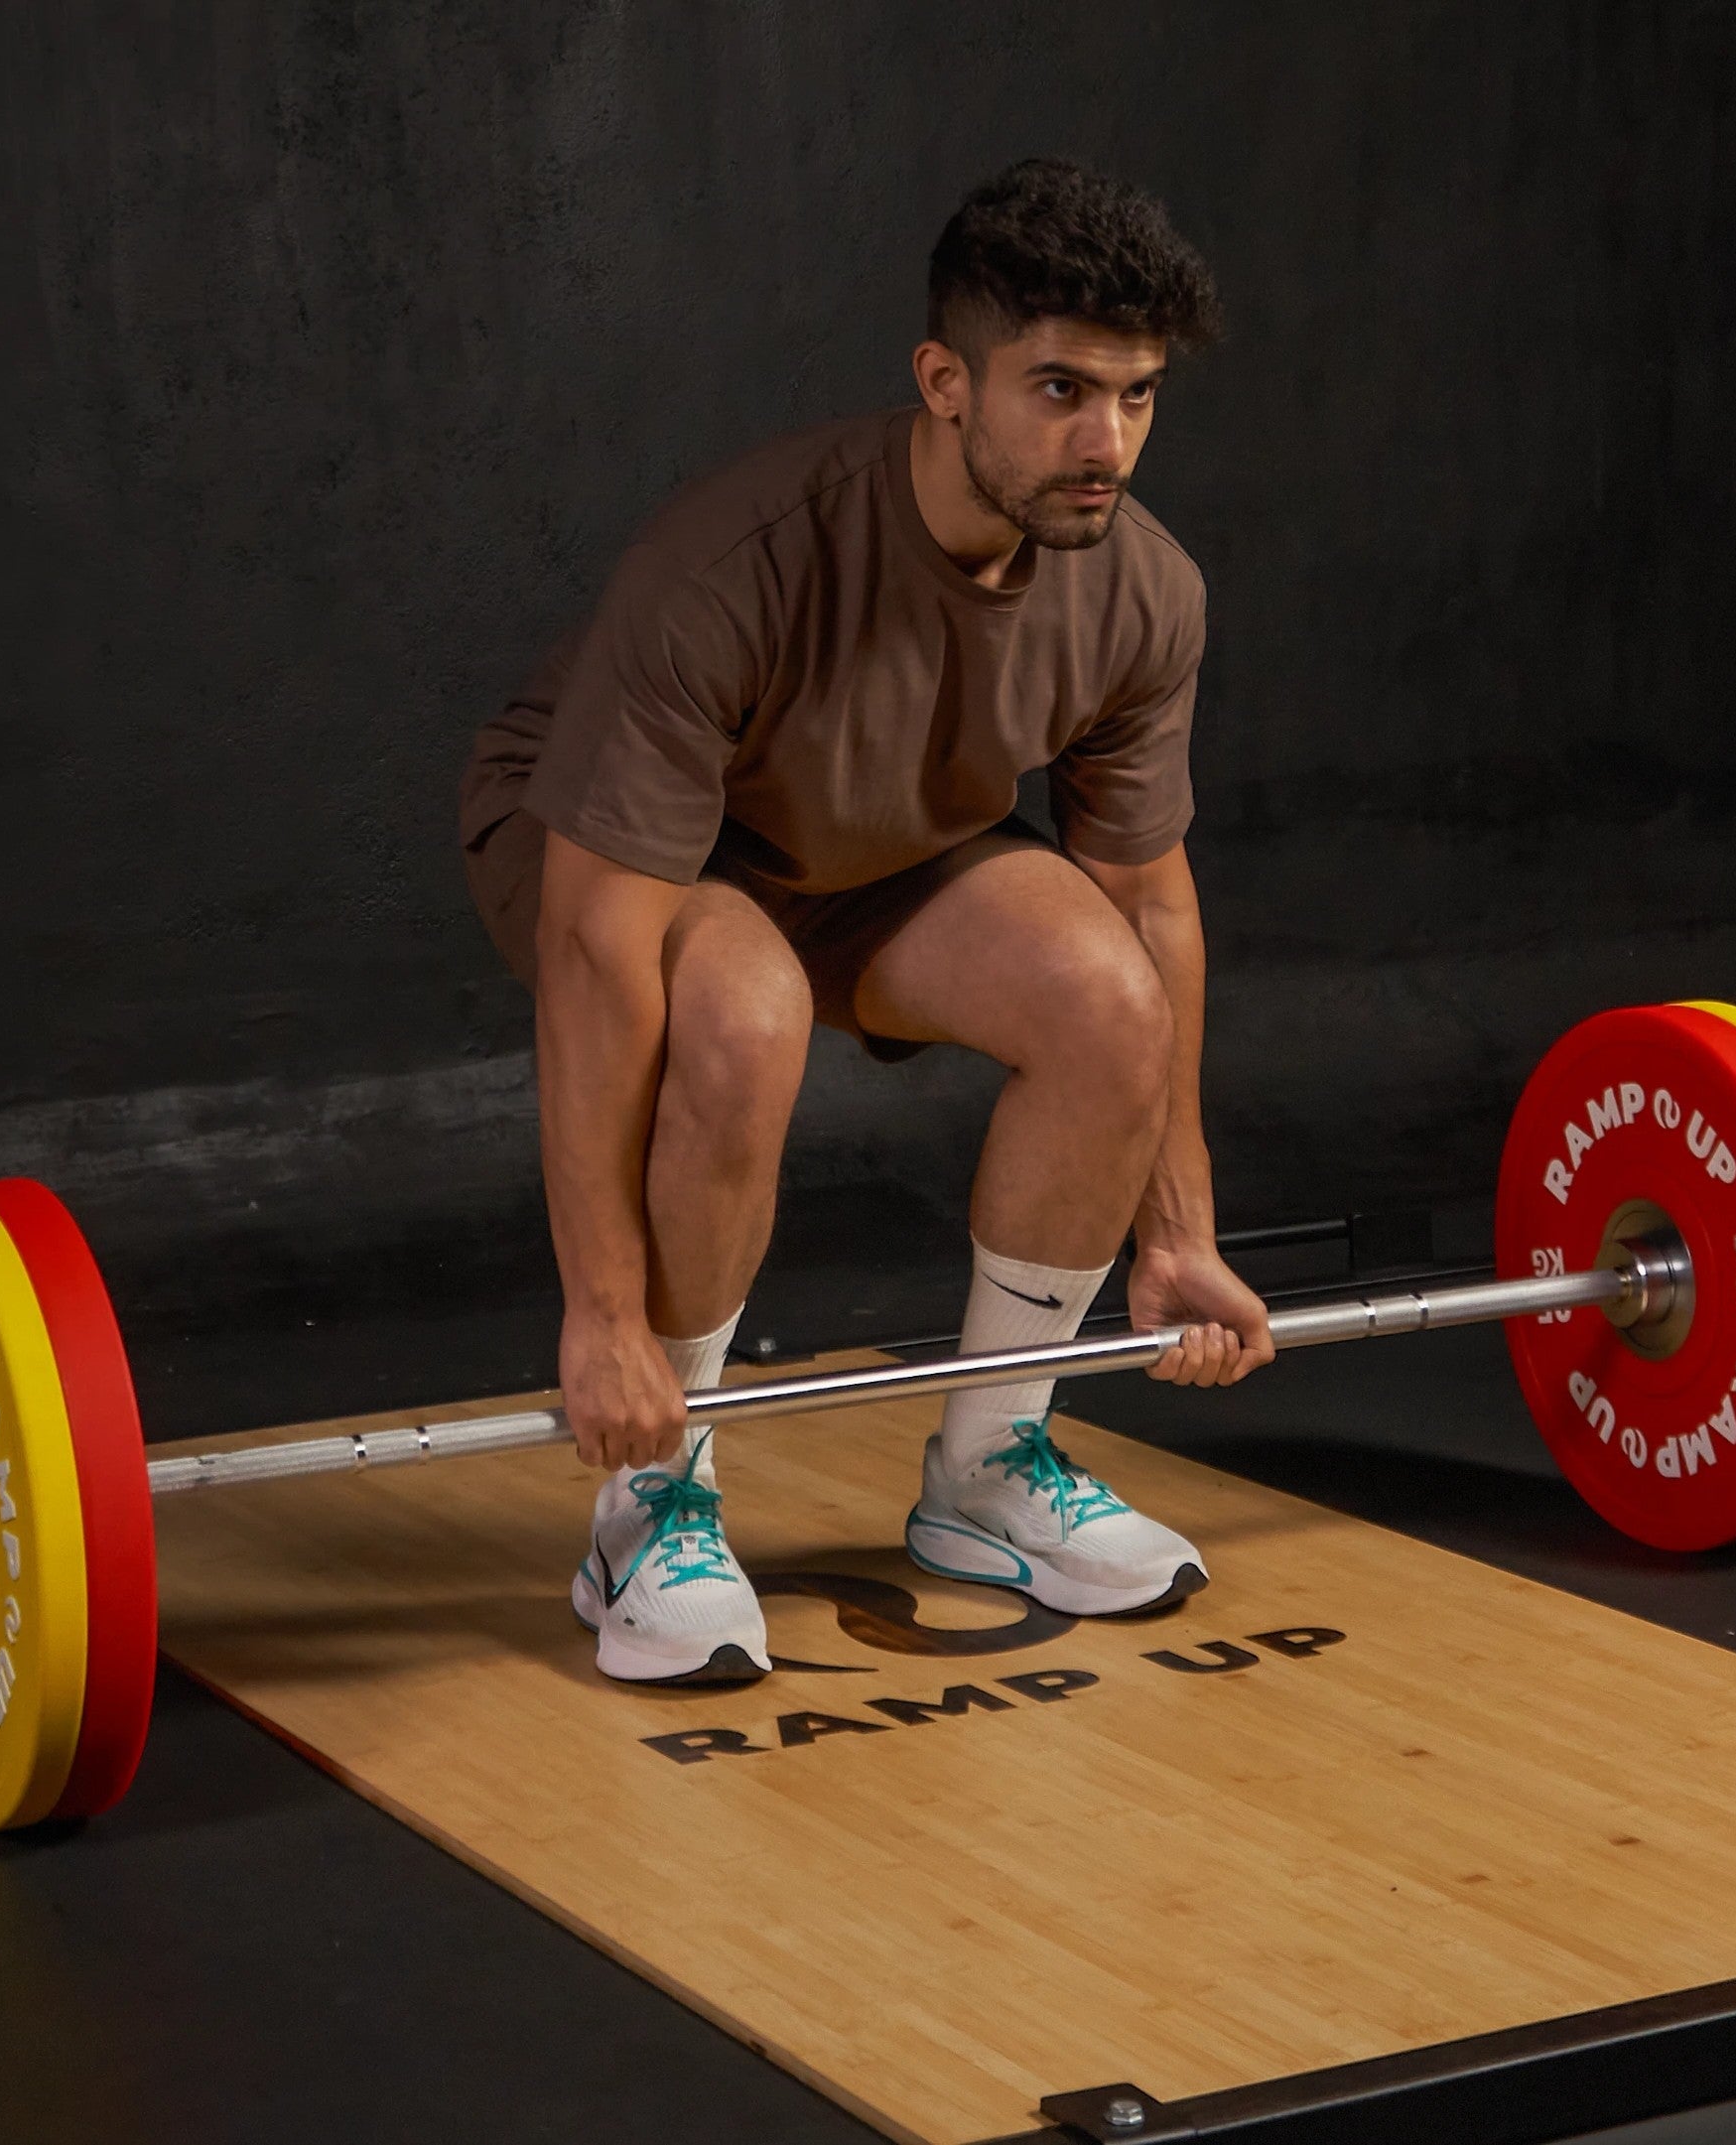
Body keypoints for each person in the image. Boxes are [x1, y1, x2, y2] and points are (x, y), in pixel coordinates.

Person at [459, 159, 1276, 1685]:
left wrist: (1178, 1232)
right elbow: (593, 948)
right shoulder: (735, 565)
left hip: (873, 839)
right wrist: (602, 1316)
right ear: (943, 382)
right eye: (1058, 389)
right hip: (604, 845)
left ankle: (987, 1470)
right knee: (740, 1008)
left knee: (1105, 994)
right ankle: (651, 1499)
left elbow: (1149, 907)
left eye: (1138, 396)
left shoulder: (1141, 592)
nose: (1105, 443)